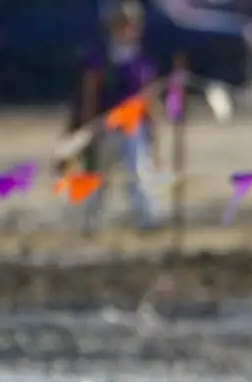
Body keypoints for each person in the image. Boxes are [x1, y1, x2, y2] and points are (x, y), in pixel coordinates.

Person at [64, 1, 164, 235]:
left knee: (138, 172)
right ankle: (90, 221)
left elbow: (148, 95)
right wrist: (89, 127)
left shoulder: (141, 59)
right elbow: (90, 92)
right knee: (98, 176)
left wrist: (154, 125)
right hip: (105, 125)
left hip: (133, 125)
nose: (126, 30)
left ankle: (146, 218)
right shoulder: (100, 57)